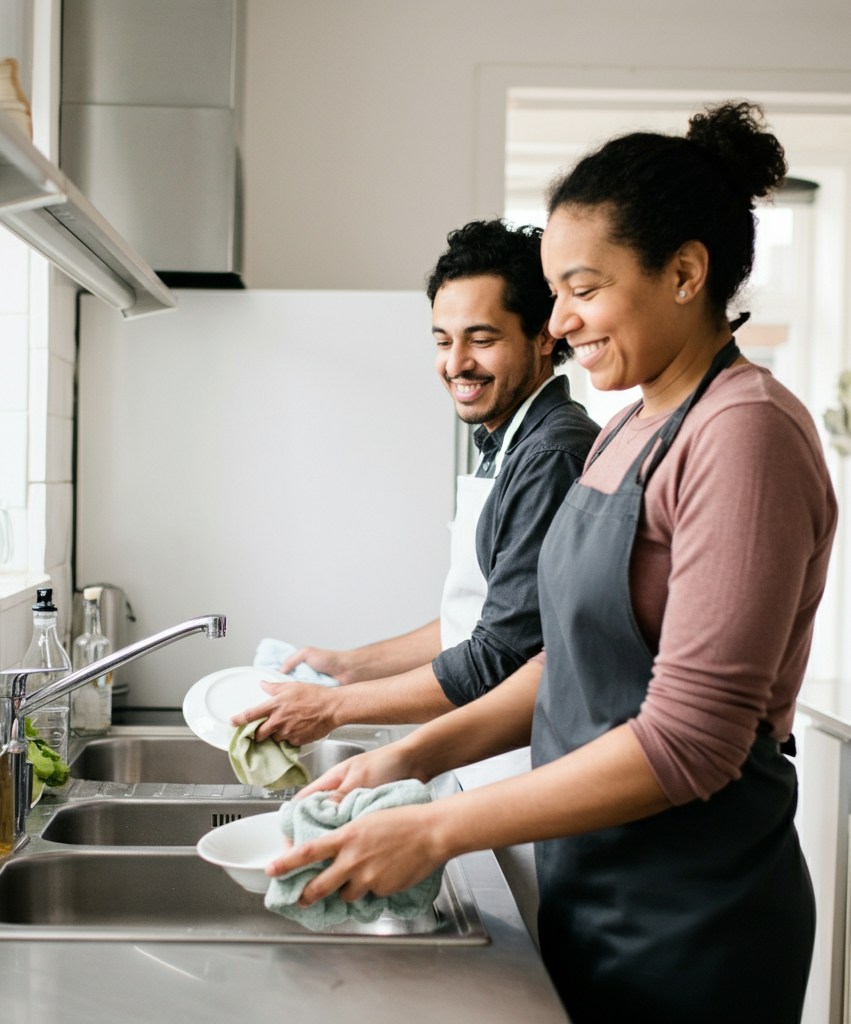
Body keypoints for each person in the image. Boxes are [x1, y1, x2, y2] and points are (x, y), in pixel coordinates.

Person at [265, 102, 837, 1024]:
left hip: (689, 916)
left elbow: (691, 742)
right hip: (595, 880)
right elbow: (566, 661)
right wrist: (410, 758)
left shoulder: (746, 436)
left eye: (582, 288)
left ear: (686, 272)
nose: (560, 321)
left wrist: (437, 827)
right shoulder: (629, 428)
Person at [233, 222, 600, 747]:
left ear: (544, 335)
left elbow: (499, 655)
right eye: (443, 340)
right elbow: (477, 620)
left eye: (482, 338)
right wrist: (348, 667)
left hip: (521, 763)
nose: (455, 364)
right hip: (482, 758)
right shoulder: (509, 441)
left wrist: (333, 707)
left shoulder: (551, 456)